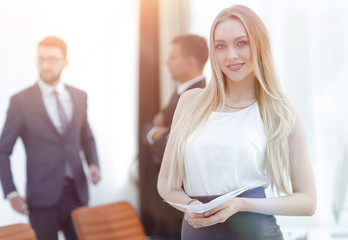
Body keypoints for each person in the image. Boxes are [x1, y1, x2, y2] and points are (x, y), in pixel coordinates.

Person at [157, 5, 316, 240]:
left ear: (258, 45)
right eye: (221, 46)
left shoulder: (279, 111)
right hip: (195, 233)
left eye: (241, 43)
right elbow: (166, 185)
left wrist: (240, 204)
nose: (231, 55)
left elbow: (307, 202)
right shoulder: (190, 102)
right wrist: (190, 205)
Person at [0, 36, 100, 240]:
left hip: (77, 194)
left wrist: (93, 163)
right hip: (41, 198)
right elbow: (3, 151)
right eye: (41, 59)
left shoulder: (79, 96)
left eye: (53, 59)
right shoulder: (20, 101)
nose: (45, 64)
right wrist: (11, 193)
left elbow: (86, 136)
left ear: (65, 62)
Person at [140, 34, 208, 239]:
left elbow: (172, 143)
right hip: (165, 199)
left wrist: (155, 133)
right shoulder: (178, 93)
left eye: (173, 57)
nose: (166, 63)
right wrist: (155, 131)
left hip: (180, 197)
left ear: (190, 61)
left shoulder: (199, 95)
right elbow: (151, 128)